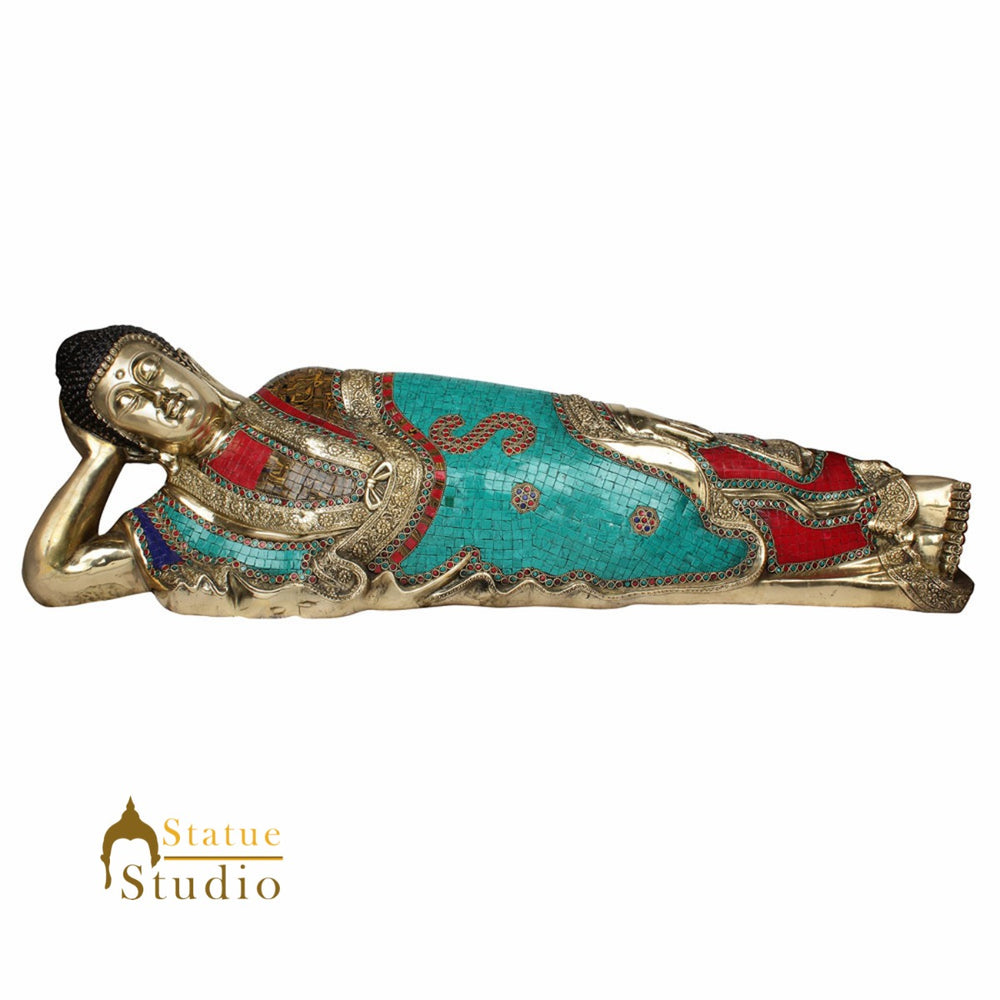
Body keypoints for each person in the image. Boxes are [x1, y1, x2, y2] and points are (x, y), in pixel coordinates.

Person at [23, 325, 973, 616]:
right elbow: (53, 579)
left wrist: (541, 440)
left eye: (149, 368)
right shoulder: (183, 529)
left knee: (675, 456)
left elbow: (451, 400)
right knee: (681, 554)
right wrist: (96, 466)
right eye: (125, 404)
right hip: (484, 553)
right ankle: (888, 566)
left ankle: (896, 499)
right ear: (124, 434)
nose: (156, 396)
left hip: (519, 452)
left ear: (182, 358)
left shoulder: (298, 390)